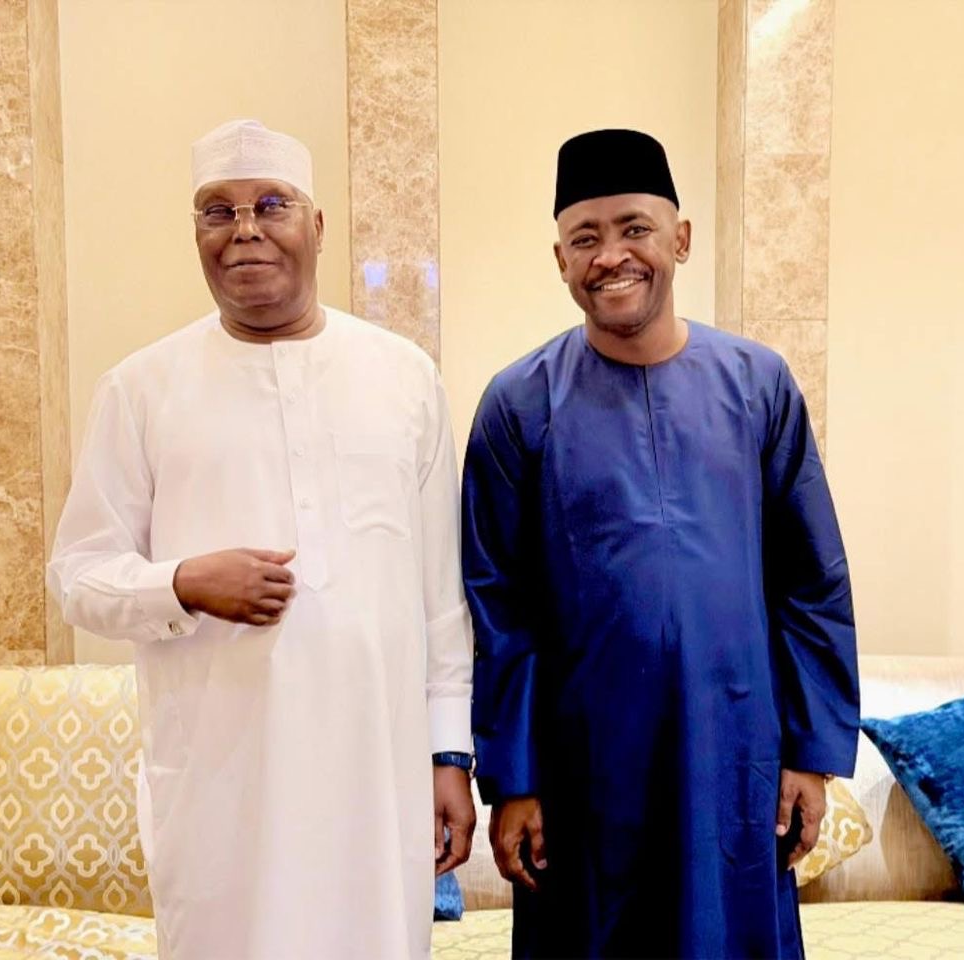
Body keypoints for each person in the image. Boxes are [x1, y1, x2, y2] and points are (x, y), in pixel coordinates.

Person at [48, 119, 475, 959]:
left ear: (316, 226)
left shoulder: (404, 377)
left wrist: (448, 756)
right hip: (223, 787)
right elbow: (76, 574)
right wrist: (181, 583)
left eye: (272, 204)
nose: (245, 229)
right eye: (219, 211)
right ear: (197, 235)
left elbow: (440, 598)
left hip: (374, 780)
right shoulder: (140, 388)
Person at [462, 128, 860, 959]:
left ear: (680, 238)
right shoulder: (518, 405)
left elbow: (812, 581)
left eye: (634, 228)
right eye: (586, 238)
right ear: (561, 260)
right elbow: (499, 608)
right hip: (581, 771)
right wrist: (514, 780)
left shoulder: (758, 385)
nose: (611, 256)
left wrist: (811, 755)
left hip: (734, 756)